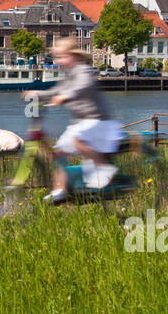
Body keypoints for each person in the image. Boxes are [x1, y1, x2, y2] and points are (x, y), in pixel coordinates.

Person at [25, 37, 125, 204]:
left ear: (74, 56)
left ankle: (103, 167)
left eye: (62, 56)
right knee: (58, 153)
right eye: (57, 57)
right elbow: (58, 89)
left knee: (78, 140)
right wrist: (37, 93)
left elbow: (82, 87)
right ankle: (60, 189)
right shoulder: (69, 75)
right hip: (81, 123)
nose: (58, 61)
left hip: (97, 121)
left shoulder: (82, 71)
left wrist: (66, 96)